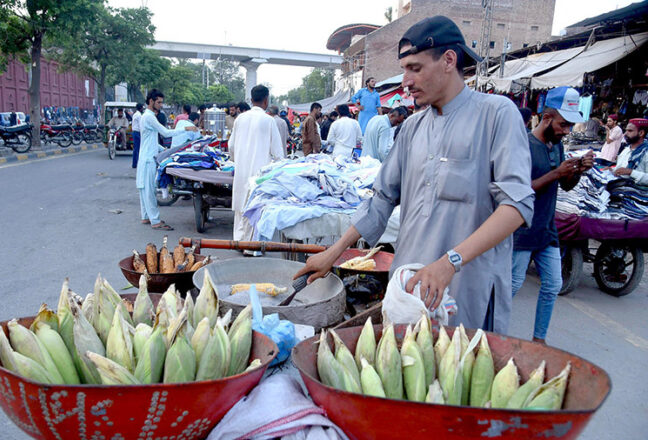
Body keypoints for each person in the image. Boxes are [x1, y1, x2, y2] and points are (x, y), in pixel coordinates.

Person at [295, 16, 535, 334]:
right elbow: (381, 199)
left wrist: (450, 262)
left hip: (466, 288)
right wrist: (333, 252)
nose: (405, 81)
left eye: (415, 68)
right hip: (409, 288)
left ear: (448, 60)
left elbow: (516, 206)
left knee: (459, 361)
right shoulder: (411, 128)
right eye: (404, 69)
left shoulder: (496, 114)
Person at [512, 87, 594, 344]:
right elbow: (520, 189)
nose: (566, 131)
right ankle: (490, 332)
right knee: (511, 286)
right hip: (522, 229)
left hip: (547, 228)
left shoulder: (555, 145)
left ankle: (539, 340)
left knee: (553, 284)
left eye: (570, 126)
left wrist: (577, 171)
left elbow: (566, 185)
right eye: (563, 124)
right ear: (547, 118)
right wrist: (557, 173)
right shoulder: (524, 145)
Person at [229, 85, 285, 245]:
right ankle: (251, 247)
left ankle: (239, 242)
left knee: (240, 210)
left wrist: (238, 160)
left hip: (241, 172)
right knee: (256, 210)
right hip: (260, 176)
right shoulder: (269, 120)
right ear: (266, 100)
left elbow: (231, 146)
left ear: (251, 99)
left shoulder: (240, 119)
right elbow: (278, 154)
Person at [137, 89, 189, 231]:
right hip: (148, 159)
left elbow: (150, 140)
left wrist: (163, 150)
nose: (161, 105)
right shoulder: (149, 117)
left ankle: (146, 216)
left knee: (144, 188)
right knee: (149, 190)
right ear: (151, 101)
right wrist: (185, 129)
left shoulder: (146, 116)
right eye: (159, 102)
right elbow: (166, 133)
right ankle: (155, 220)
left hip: (146, 156)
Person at [613, 118, 648, 185]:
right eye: (626, 130)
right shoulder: (626, 150)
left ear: (641, 133)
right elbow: (621, 169)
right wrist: (612, 170)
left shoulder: (646, 152)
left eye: (630, 131)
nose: (625, 134)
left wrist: (631, 172)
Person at [131, 103, 144, 169]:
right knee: (137, 148)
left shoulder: (135, 114)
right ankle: (135, 163)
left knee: (136, 148)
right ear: (141, 108)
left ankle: (135, 163)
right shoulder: (139, 115)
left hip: (134, 131)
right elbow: (140, 125)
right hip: (137, 132)